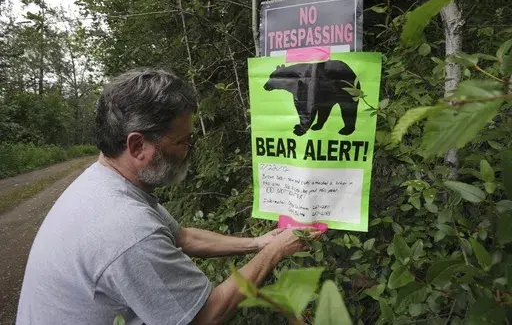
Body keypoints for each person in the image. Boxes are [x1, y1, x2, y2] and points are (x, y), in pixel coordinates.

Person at [16, 68, 319, 324]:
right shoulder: (127, 230)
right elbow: (205, 315)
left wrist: (258, 243)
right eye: (184, 140)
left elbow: (183, 237)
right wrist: (275, 252)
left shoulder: (105, 184)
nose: (190, 150)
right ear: (137, 147)